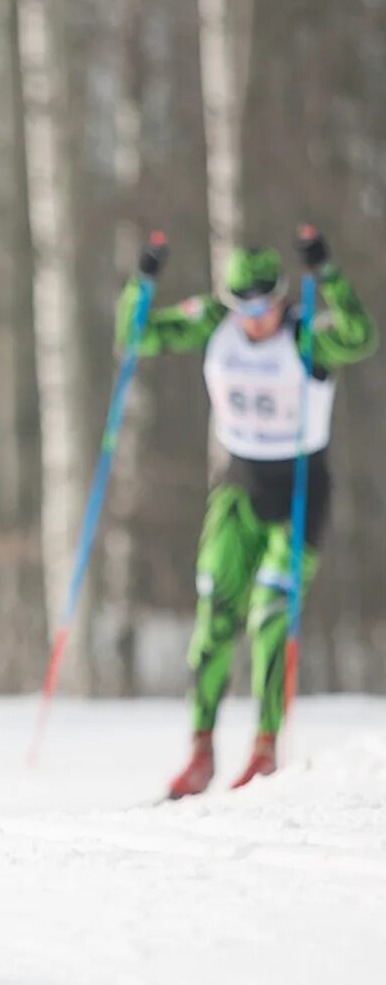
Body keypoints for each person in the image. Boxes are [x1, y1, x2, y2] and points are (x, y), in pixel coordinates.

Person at [118, 229, 376, 800]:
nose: (255, 319)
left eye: (265, 304)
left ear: (281, 295)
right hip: (237, 487)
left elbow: (360, 337)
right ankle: (201, 749)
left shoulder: (306, 334)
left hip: (300, 488)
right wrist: (143, 281)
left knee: (267, 617)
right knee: (214, 612)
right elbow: (135, 335)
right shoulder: (215, 324)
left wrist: (327, 274)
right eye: (245, 307)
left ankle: (264, 748)